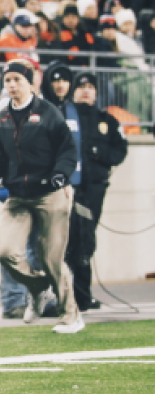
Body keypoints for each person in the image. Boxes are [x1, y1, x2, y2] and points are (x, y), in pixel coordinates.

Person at [0, 58, 83, 333]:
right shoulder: (1, 117)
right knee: (5, 252)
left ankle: (70, 316)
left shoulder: (49, 112)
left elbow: (68, 150)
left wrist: (60, 174)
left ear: (30, 82)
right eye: (8, 80)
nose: (12, 85)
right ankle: (38, 288)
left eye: (18, 79)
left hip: (50, 193)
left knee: (51, 258)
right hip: (18, 194)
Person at [66, 72, 128, 311]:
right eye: (81, 87)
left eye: (91, 87)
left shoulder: (107, 120)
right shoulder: (67, 116)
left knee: (85, 240)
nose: (86, 91)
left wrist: (99, 157)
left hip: (93, 189)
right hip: (70, 186)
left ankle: (82, 295)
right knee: (69, 240)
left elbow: (120, 150)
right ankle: (71, 295)